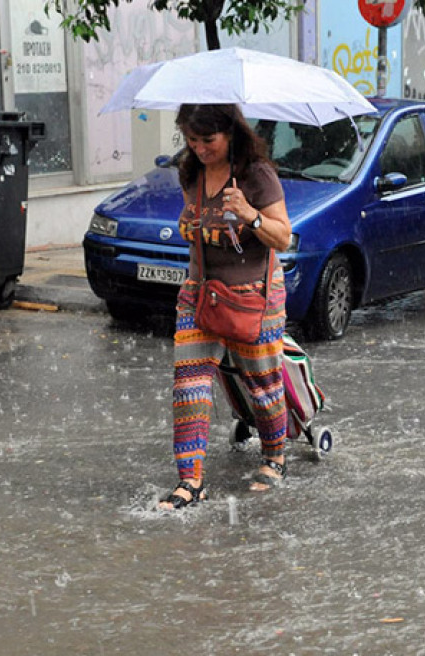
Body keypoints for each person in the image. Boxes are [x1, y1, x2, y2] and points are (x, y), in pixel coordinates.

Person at [158, 103, 293, 511]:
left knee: (263, 386)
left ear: (231, 133)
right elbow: (193, 223)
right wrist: (192, 225)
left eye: (207, 140)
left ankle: (275, 455)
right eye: (191, 140)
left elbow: (283, 238)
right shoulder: (190, 171)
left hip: (255, 297)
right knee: (190, 387)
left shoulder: (257, 175)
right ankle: (190, 481)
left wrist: (250, 216)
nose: (198, 148)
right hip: (201, 293)